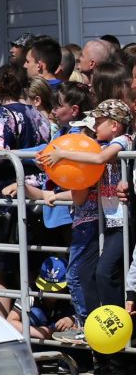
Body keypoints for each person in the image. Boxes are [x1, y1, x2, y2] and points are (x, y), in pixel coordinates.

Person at [40, 97, 132, 317]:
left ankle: (119, 324)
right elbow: (85, 174)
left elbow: (100, 159)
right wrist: (46, 159)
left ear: (114, 125)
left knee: (104, 273)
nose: (94, 126)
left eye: (99, 121)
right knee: (84, 272)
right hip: (107, 221)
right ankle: (93, 322)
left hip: (124, 221)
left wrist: (62, 154)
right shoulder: (100, 145)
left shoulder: (124, 140)